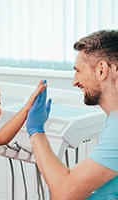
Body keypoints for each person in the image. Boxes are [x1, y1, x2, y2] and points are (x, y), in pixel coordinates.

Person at [26, 30, 118, 200]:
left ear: (101, 70)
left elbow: (64, 192)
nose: (74, 81)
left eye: (78, 71)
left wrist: (36, 131)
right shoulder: (113, 118)